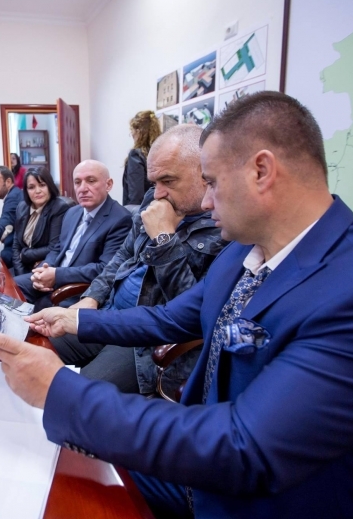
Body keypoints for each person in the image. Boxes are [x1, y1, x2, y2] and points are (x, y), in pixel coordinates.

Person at [0, 92, 353, 519]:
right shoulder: (242, 253)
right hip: (204, 470)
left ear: (261, 171)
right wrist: (77, 320)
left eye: (211, 182)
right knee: (53, 466)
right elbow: (168, 318)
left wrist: (59, 390)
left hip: (261, 497)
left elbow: (246, 447)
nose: (205, 202)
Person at [50, 124, 226, 395]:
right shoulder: (151, 200)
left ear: (204, 173)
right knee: (37, 346)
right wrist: (92, 297)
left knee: (78, 395)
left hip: (145, 339)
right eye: (154, 182)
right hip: (109, 311)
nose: (157, 193)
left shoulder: (223, 226)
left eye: (168, 181)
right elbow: (123, 255)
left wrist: (164, 240)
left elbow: (191, 313)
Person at [13, 160, 132, 311]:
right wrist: (43, 270)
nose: (82, 188)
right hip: (54, 276)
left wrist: (57, 275)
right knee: (9, 287)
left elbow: (105, 269)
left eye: (91, 181)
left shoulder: (120, 219)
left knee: (32, 314)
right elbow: (57, 248)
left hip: (78, 289)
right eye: (77, 182)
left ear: (108, 184)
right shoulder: (72, 212)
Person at [11, 168, 72, 276]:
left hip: (44, 268)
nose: (37, 191)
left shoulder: (58, 208)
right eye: (31, 187)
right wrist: (20, 273)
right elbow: (16, 245)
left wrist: (25, 255)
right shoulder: (22, 207)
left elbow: (53, 247)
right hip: (22, 268)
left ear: (50, 186)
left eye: (42, 185)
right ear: (26, 190)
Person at [122, 110, 160, 207]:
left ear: (138, 131)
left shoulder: (136, 155)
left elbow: (135, 196)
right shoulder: (161, 154)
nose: (132, 135)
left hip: (140, 211)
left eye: (132, 132)